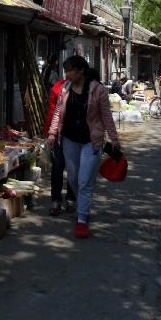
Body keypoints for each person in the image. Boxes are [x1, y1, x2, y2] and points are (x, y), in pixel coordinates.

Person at [47, 55, 121, 239]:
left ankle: (81, 219)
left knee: (84, 180)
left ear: (81, 71)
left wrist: (115, 140)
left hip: (91, 141)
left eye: (70, 70)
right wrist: (51, 133)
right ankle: (83, 206)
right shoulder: (65, 89)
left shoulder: (98, 91)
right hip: (70, 140)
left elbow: (106, 117)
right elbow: (58, 112)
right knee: (72, 178)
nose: (67, 74)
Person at [45, 78, 75, 216]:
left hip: (77, 137)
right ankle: (57, 200)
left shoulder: (90, 88)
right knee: (57, 168)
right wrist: (51, 132)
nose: (69, 73)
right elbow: (54, 111)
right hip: (60, 136)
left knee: (73, 170)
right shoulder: (60, 88)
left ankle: (70, 199)